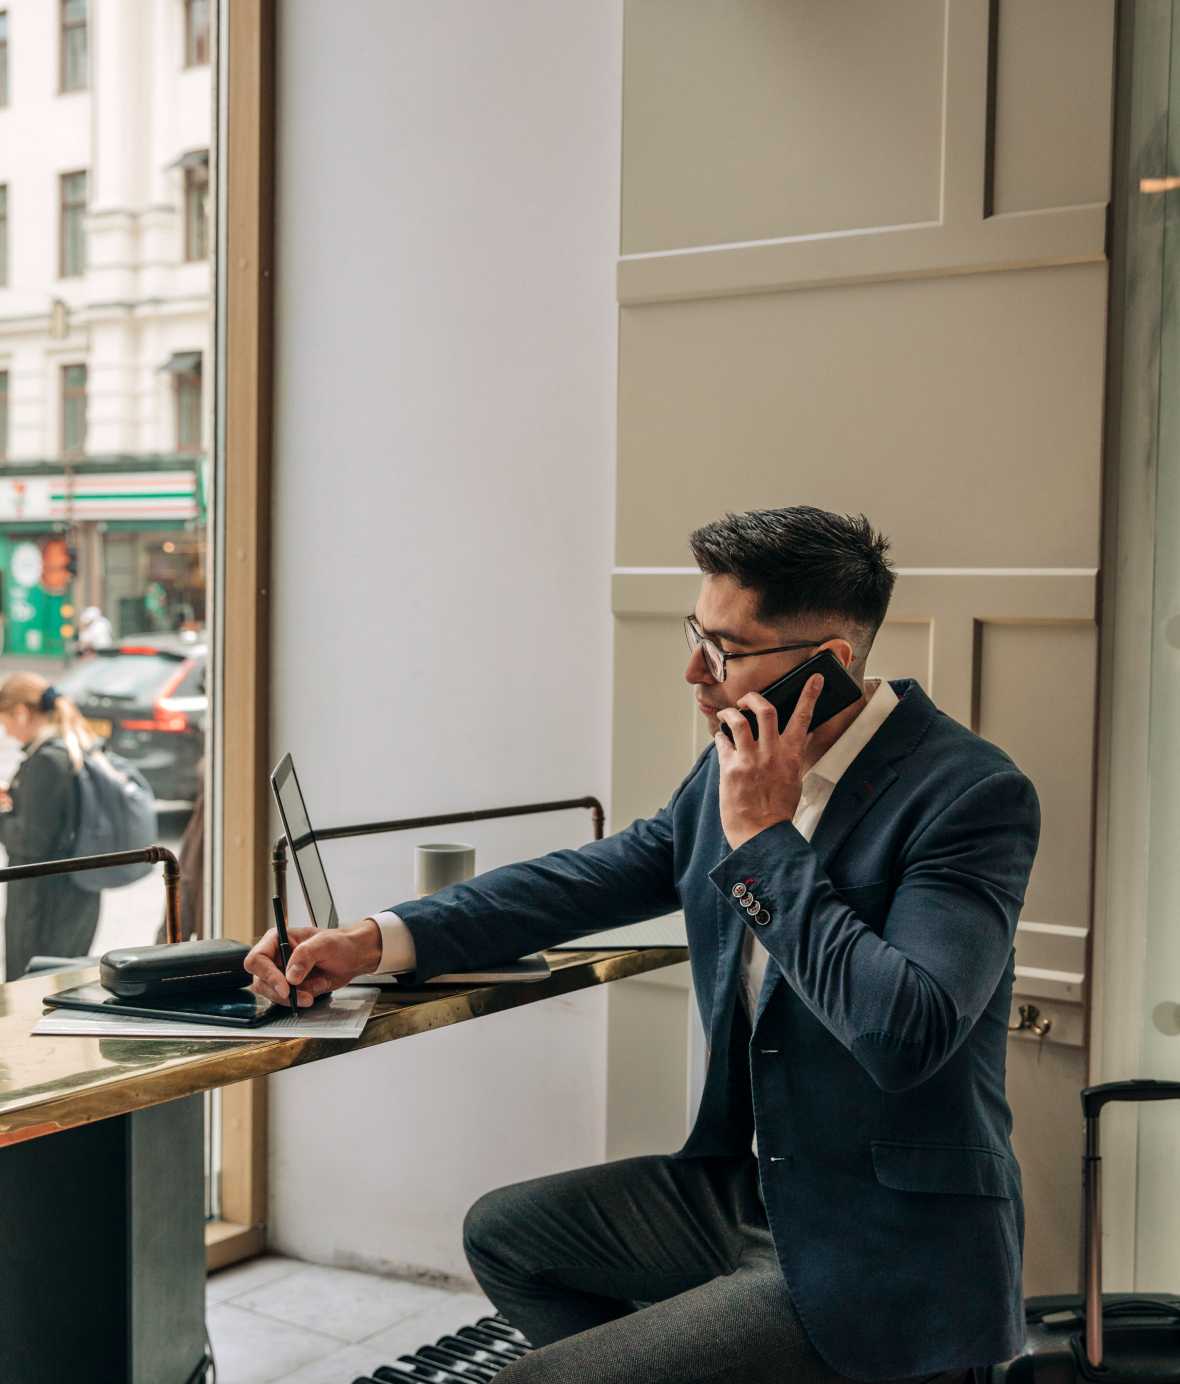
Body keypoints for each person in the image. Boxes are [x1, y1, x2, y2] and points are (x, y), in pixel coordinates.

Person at [246, 506, 1041, 1384]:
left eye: (727, 651)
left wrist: (765, 841)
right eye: (696, 634)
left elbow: (904, 1035)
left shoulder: (969, 793)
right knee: (507, 1236)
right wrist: (371, 940)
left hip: (882, 1243)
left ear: (829, 666)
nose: (694, 673)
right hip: (743, 1191)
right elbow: (586, 878)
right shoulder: (731, 770)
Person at [0, 673, 102, 978]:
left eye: (4, 719)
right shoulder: (73, 747)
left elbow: (30, 841)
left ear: (21, 712)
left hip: (43, 903)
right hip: (74, 894)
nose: (4, 730)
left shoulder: (47, 760)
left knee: (29, 990)